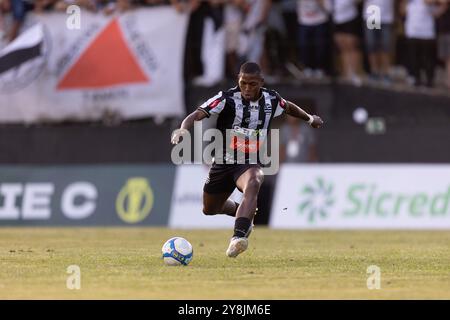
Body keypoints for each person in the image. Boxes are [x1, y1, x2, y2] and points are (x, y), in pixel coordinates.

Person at [171, 62, 323, 258]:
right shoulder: (225, 99)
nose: (247, 88)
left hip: (248, 162)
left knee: (254, 181)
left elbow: (289, 108)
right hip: (223, 162)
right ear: (238, 80)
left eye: (252, 84)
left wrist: (310, 119)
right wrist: (183, 129)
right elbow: (196, 114)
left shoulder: (271, 99)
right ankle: (241, 214)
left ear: (261, 82)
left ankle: (238, 237)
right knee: (210, 209)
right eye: (243, 83)